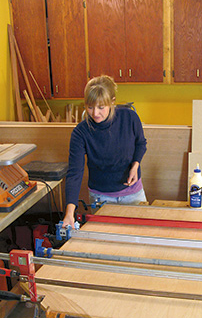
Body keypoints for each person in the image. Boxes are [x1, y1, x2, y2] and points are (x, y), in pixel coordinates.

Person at [62, 75, 147, 228]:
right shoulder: (81, 133)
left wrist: (135, 165)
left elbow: (141, 143)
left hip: (133, 194)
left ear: (112, 102)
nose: (95, 113)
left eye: (101, 107)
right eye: (90, 107)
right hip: (101, 197)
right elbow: (75, 173)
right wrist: (69, 213)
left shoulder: (130, 118)